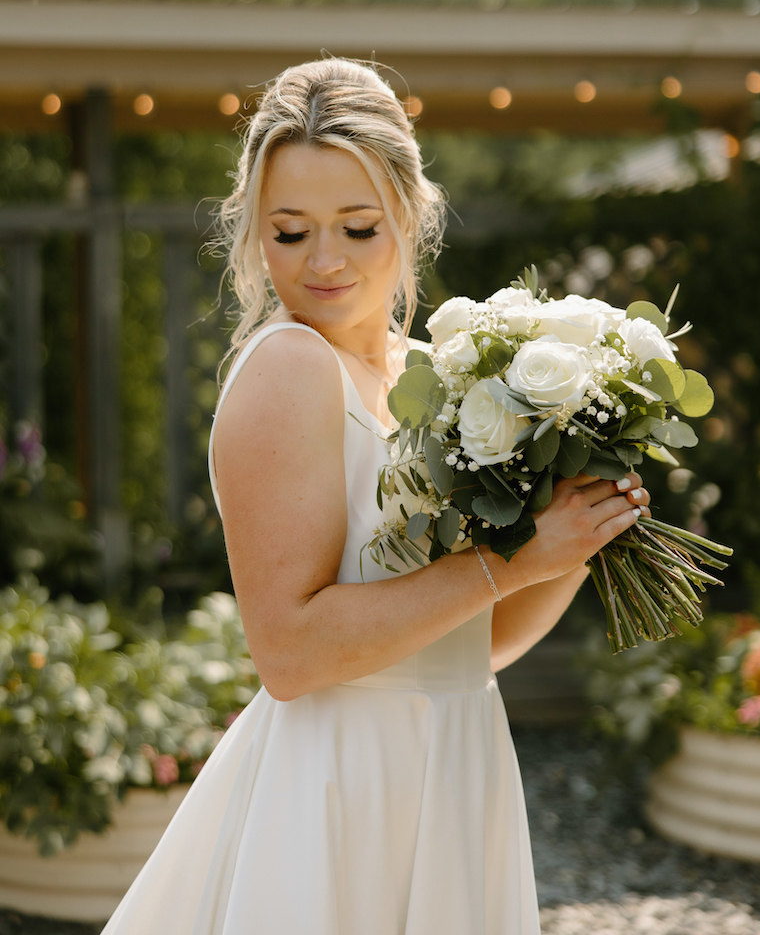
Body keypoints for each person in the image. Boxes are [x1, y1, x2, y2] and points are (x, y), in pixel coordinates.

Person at [101, 58, 649, 935]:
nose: (323, 262)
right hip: (341, 784)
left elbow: (479, 642)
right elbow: (289, 653)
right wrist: (509, 563)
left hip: (455, 757)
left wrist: (578, 534)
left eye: (357, 228)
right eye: (289, 233)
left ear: (409, 213)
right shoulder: (289, 367)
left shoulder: (435, 375)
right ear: (254, 233)